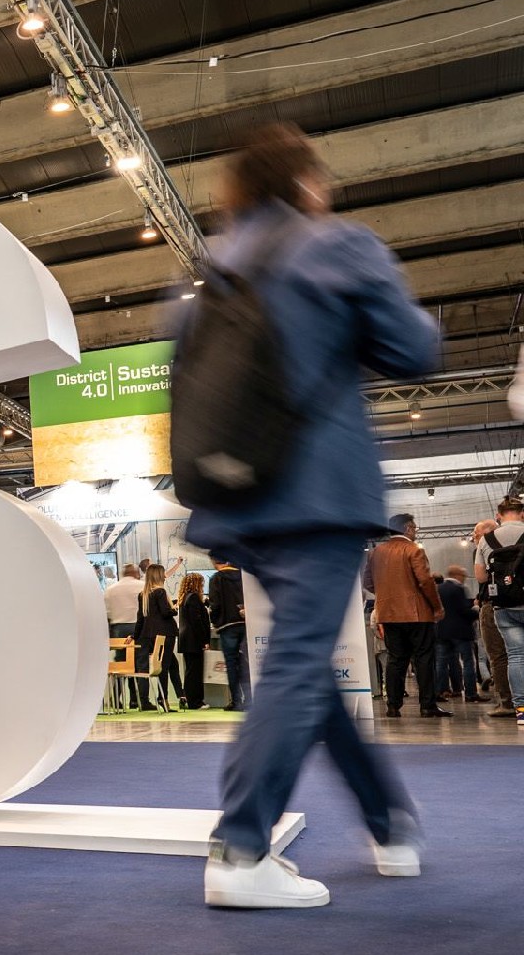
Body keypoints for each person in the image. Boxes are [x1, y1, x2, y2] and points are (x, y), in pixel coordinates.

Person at [182, 122, 436, 909]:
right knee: (298, 660)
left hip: (235, 501)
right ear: (305, 183)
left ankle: (389, 821)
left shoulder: (210, 272)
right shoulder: (337, 245)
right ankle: (240, 848)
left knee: (303, 662)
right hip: (318, 494)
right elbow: (414, 349)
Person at [367, 514, 446, 717]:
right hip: (418, 614)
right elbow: (425, 582)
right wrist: (437, 607)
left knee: (395, 659)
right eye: (415, 528)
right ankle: (427, 706)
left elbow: (368, 582)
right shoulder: (414, 550)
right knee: (424, 658)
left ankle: (393, 706)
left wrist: (388, 596)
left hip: (388, 614)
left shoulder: (375, 553)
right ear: (408, 528)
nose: (416, 531)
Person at [474, 496, 523, 718]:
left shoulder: (486, 540)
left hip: (504, 606)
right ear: (522, 514)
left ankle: (518, 708)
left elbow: (481, 577)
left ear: (498, 515)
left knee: (514, 656)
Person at [134, 563, 179, 710]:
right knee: (164, 667)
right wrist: (175, 609)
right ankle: (163, 698)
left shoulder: (143, 595)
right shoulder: (160, 592)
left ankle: (178, 695)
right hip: (166, 633)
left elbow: (140, 618)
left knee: (169, 664)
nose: (165, 577)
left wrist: (134, 636)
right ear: (159, 576)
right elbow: (165, 613)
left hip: (149, 635)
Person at [102, 563, 147, 707]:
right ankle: (142, 700)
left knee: (122, 665)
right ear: (135, 573)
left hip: (119, 629)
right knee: (141, 663)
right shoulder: (142, 586)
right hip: (139, 627)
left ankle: (116, 700)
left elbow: (107, 613)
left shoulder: (111, 590)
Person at [433, 564, 479, 703]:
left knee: (441, 663)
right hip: (460, 632)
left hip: (442, 631)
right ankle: (470, 693)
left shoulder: (439, 589)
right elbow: (463, 611)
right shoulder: (458, 589)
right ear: (457, 575)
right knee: (468, 662)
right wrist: (475, 611)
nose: (464, 578)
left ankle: (441, 691)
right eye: (463, 576)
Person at [209, 559, 250, 711]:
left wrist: (215, 621)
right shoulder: (243, 576)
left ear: (215, 562)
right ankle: (250, 699)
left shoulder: (216, 579)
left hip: (227, 626)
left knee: (231, 664)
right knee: (246, 663)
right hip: (246, 624)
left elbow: (215, 604)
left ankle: (236, 701)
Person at [176, 572, 211, 711]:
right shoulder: (193, 598)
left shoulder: (185, 598)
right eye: (201, 583)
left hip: (187, 640)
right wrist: (204, 640)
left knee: (191, 671)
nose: (202, 586)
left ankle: (191, 700)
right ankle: (195, 702)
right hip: (193, 640)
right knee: (194, 672)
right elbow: (197, 621)